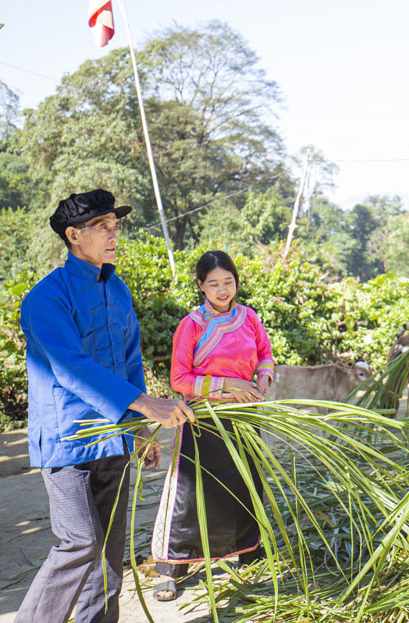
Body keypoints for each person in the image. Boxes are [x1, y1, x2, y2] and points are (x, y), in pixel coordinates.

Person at [16, 189, 196, 623]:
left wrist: (136, 428)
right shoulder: (46, 298)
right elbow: (69, 367)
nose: (114, 235)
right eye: (103, 227)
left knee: (110, 554)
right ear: (74, 235)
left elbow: (129, 361)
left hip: (114, 437)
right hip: (68, 441)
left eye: (116, 226)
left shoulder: (117, 290)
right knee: (79, 543)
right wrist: (145, 403)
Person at [151, 250, 274, 601]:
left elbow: (265, 354)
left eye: (229, 282)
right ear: (201, 286)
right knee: (190, 495)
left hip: (245, 418)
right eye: (214, 283)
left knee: (243, 486)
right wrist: (229, 386)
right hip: (203, 420)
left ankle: (246, 553)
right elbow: (179, 378)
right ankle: (172, 566)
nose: (223, 290)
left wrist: (263, 377)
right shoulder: (192, 325)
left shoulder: (249, 317)